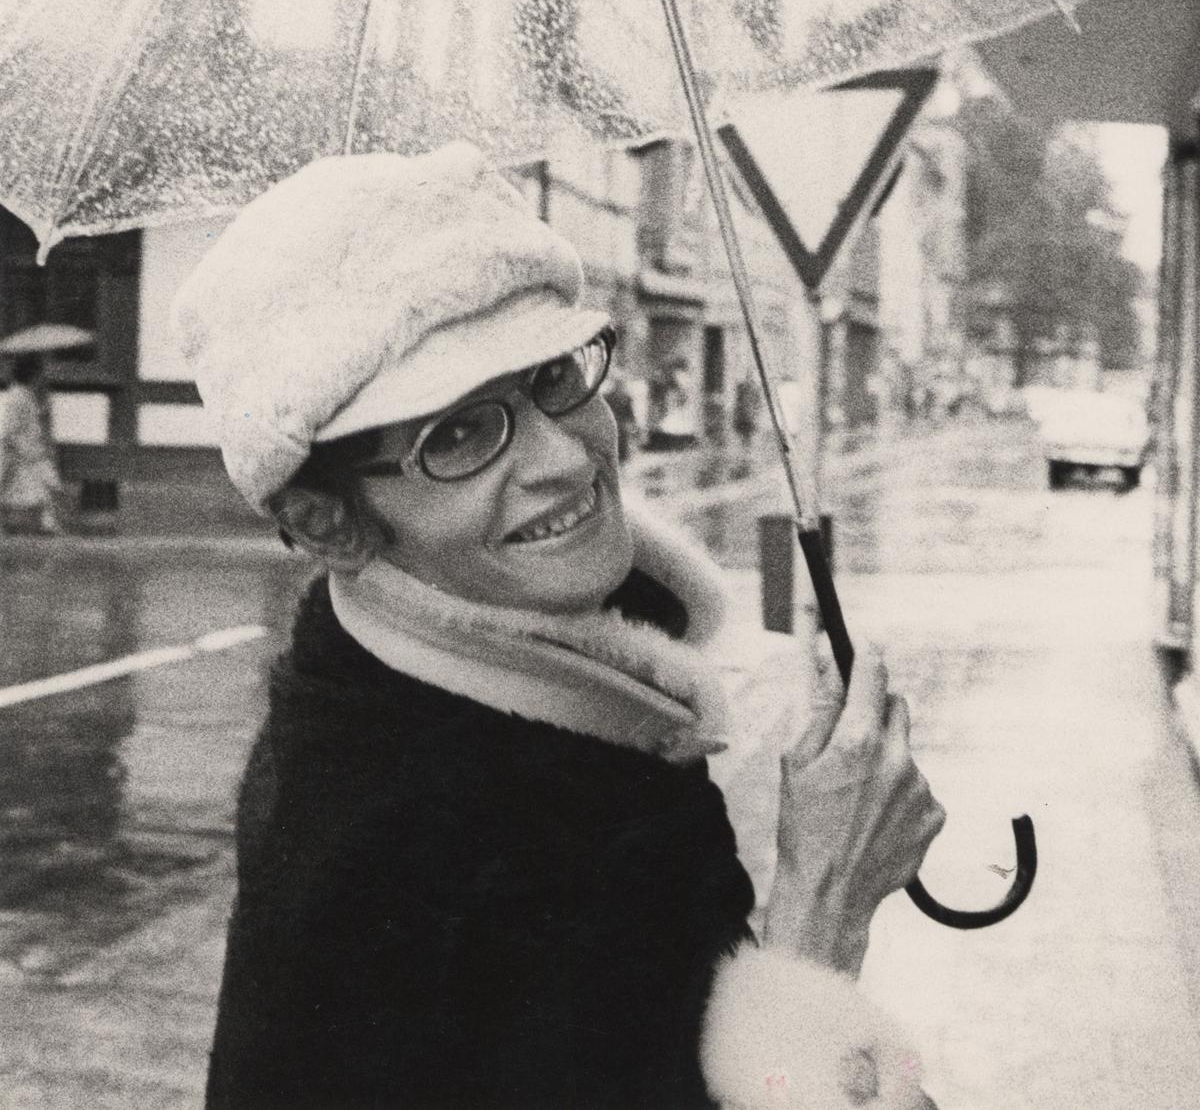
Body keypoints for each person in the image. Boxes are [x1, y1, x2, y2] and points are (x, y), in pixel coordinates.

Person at [174, 143, 944, 1110]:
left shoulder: (545, 715)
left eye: (549, 377)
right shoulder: (406, 848)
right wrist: (823, 902)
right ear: (329, 519)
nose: (565, 456)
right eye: (456, 433)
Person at [0, 353, 62, 535]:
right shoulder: (15, 398)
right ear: (34, 374)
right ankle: (46, 527)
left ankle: (48, 526)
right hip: (19, 456)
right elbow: (7, 432)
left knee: (47, 490)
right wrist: (18, 452)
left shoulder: (26, 396)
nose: (44, 377)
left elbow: (30, 424)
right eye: (41, 372)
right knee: (38, 491)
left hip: (30, 455)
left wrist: (43, 412)